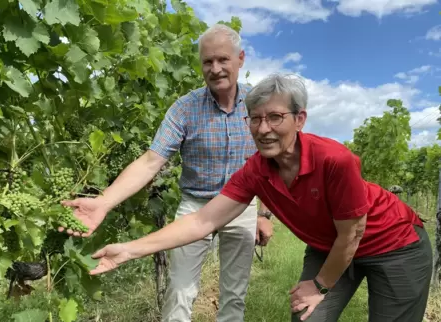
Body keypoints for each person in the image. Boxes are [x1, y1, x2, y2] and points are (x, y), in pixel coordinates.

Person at [84, 73, 433, 322]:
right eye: (255, 119)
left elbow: (353, 234)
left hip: (393, 245)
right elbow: (203, 219)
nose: (263, 129)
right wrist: (129, 249)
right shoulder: (256, 171)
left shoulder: (334, 160)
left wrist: (320, 286)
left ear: (300, 120)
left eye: (276, 117)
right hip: (332, 246)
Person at [60, 24, 274, 322]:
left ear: (240, 59)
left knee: (234, 295)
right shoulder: (185, 108)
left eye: (223, 59)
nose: (215, 68)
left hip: (241, 207)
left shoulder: (259, 107)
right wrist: (104, 201)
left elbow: (268, 162)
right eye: (207, 61)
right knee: (179, 291)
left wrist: (262, 215)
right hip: (195, 206)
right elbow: (150, 161)